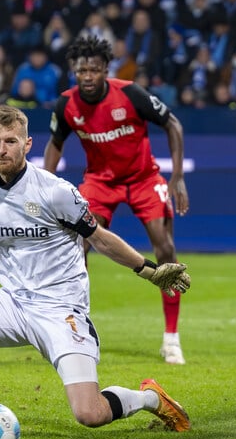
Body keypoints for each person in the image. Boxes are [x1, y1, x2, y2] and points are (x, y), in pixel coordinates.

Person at [0, 104, 191, 433]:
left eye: (11, 141)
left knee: (90, 413)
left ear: (27, 144)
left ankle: (150, 398)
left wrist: (148, 270)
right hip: (13, 302)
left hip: (61, 309)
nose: (3, 149)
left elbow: (100, 239)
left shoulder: (55, 192)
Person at [43, 35, 190, 365]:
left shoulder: (130, 94)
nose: (88, 76)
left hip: (143, 178)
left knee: (163, 246)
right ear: (74, 71)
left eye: (95, 69)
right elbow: (55, 143)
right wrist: (45, 186)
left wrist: (177, 176)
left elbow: (173, 124)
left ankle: (171, 338)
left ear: (105, 70)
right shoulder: (66, 105)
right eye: (82, 70)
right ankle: (75, 327)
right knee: (76, 246)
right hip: (100, 183)